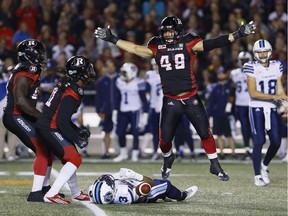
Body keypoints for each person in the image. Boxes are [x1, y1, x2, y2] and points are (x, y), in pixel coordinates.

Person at [95, 16, 256, 181]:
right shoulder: (157, 45)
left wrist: (237, 34)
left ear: (178, 31)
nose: (168, 34)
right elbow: (135, 48)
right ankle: (168, 158)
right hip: (170, 99)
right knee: (164, 141)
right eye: (165, 31)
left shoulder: (189, 42)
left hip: (191, 96)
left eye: (171, 31)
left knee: (205, 133)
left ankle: (214, 164)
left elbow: (212, 43)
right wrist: (112, 39)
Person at [35, 55, 97, 203]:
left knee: (70, 155)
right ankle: (52, 193)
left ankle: (75, 192)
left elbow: (62, 118)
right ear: (79, 73)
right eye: (87, 70)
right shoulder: (73, 91)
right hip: (50, 127)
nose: (90, 73)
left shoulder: (67, 84)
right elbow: (62, 121)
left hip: (48, 125)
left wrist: (77, 130)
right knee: (75, 158)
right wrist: (77, 137)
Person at [2, 39, 54, 201]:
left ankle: (45, 187)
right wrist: (43, 118)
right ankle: (36, 193)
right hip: (16, 115)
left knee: (49, 146)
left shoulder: (30, 69)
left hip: (22, 115)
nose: (42, 56)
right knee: (42, 149)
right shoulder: (25, 73)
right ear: (30, 55)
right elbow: (21, 102)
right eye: (39, 53)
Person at [243, 39, 288, 186]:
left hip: (272, 107)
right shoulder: (250, 67)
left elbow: (279, 88)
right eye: (259, 52)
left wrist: (285, 104)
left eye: (265, 51)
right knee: (259, 141)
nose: (262, 54)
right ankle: (257, 176)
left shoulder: (276, 65)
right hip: (256, 107)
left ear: (269, 52)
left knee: (276, 141)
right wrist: (275, 96)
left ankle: (264, 165)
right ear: (255, 54)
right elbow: (253, 93)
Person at [88, 168, 198, 204]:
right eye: (108, 184)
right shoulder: (126, 194)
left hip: (132, 188)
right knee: (165, 185)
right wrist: (134, 175)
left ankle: (164, 196)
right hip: (144, 195)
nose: (107, 181)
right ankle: (182, 196)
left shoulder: (95, 194)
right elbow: (147, 185)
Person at [112, 62, 149, 162]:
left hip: (135, 110)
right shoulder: (119, 81)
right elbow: (117, 97)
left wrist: (145, 114)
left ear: (132, 72)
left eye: (125, 72)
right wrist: (115, 111)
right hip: (123, 110)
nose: (123, 74)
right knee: (120, 132)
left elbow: (144, 100)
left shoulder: (139, 82)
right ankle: (123, 154)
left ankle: (135, 154)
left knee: (135, 132)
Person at [228, 51, 253, 160]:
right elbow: (232, 90)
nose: (244, 63)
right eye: (242, 61)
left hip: (252, 103)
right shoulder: (234, 73)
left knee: (254, 127)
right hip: (240, 104)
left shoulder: (254, 71)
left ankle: (255, 148)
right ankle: (247, 148)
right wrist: (229, 105)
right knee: (244, 128)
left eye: (246, 60)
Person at [207, 71, 236, 160]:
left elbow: (233, 99)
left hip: (227, 114)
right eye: (219, 74)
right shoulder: (216, 88)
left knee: (229, 134)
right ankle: (221, 153)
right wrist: (209, 115)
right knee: (219, 134)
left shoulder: (231, 86)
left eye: (223, 73)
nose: (221, 75)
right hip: (217, 114)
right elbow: (211, 102)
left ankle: (233, 153)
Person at [95, 60, 118, 159]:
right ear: (106, 68)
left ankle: (122, 152)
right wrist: (98, 110)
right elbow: (98, 97)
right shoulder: (102, 81)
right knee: (106, 131)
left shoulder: (120, 79)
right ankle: (106, 152)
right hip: (107, 110)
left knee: (120, 131)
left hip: (119, 110)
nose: (111, 68)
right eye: (109, 66)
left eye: (113, 66)